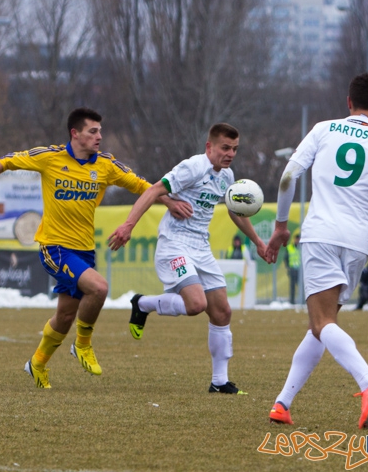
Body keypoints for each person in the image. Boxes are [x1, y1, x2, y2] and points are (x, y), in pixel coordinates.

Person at [0, 107, 190, 389]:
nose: (99, 136)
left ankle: (37, 363)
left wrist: (169, 202)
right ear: (75, 134)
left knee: (65, 315)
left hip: (84, 250)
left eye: (100, 131)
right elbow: (7, 161)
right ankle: (83, 343)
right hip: (54, 247)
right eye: (93, 131)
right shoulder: (50, 157)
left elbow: (142, 185)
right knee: (99, 288)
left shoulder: (106, 165)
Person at [264, 73, 368, 429]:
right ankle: (282, 403)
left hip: (321, 235)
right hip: (358, 243)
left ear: (348, 101)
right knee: (320, 325)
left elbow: (288, 176)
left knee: (323, 323)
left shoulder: (324, 129)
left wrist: (280, 226)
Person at [108, 123, 269, 395]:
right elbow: (153, 190)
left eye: (235, 149)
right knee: (196, 304)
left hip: (201, 248)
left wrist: (259, 242)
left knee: (222, 312)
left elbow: (234, 212)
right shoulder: (193, 167)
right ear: (209, 147)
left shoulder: (227, 176)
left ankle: (219, 382)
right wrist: (128, 225)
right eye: (225, 148)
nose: (230, 154)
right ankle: (143, 303)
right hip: (175, 243)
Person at [284, 233, 301, 304]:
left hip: (300, 271)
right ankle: (292, 301)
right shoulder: (289, 247)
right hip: (293, 269)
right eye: (297, 239)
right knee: (292, 287)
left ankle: (303, 301)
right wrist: (288, 267)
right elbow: (286, 258)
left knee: (302, 287)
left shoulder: (302, 248)